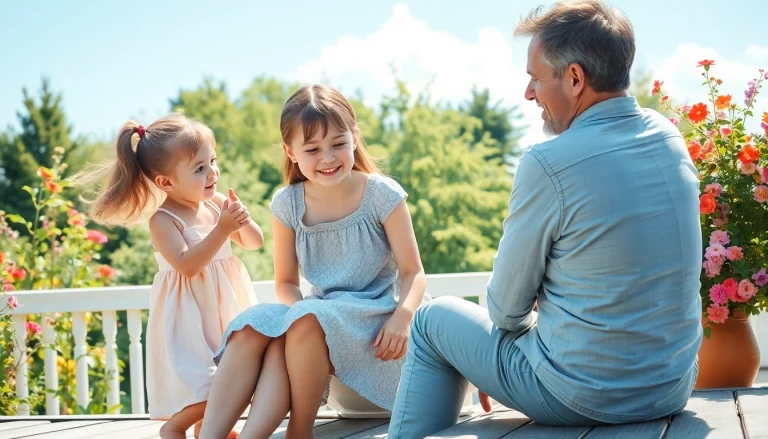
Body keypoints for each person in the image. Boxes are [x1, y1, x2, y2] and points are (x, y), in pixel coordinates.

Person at [387, 1, 703, 437]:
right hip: (670, 386)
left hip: (580, 393)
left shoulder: (549, 161)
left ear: (575, 79)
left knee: (429, 319)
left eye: (535, 78)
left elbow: (504, 310)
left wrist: (501, 356)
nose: (528, 93)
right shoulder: (668, 137)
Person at [198, 84, 428, 439]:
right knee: (253, 324)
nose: (327, 158)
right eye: (312, 149)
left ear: (354, 137)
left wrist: (402, 318)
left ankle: (300, 431)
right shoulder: (287, 203)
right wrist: (300, 316)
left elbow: (414, 273)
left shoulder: (382, 194)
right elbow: (286, 284)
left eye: (337, 143)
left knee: (308, 317)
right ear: (291, 152)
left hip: (377, 312)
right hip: (320, 309)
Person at [77, 113, 264, 439]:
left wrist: (242, 220)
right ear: (165, 182)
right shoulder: (163, 220)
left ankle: (208, 429)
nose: (213, 172)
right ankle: (175, 427)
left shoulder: (218, 203)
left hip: (226, 307)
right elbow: (187, 265)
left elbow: (254, 242)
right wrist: (222, 229)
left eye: (213, 161)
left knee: (240, 373)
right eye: (199, 168)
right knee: (208, 381)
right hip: (190, 314)